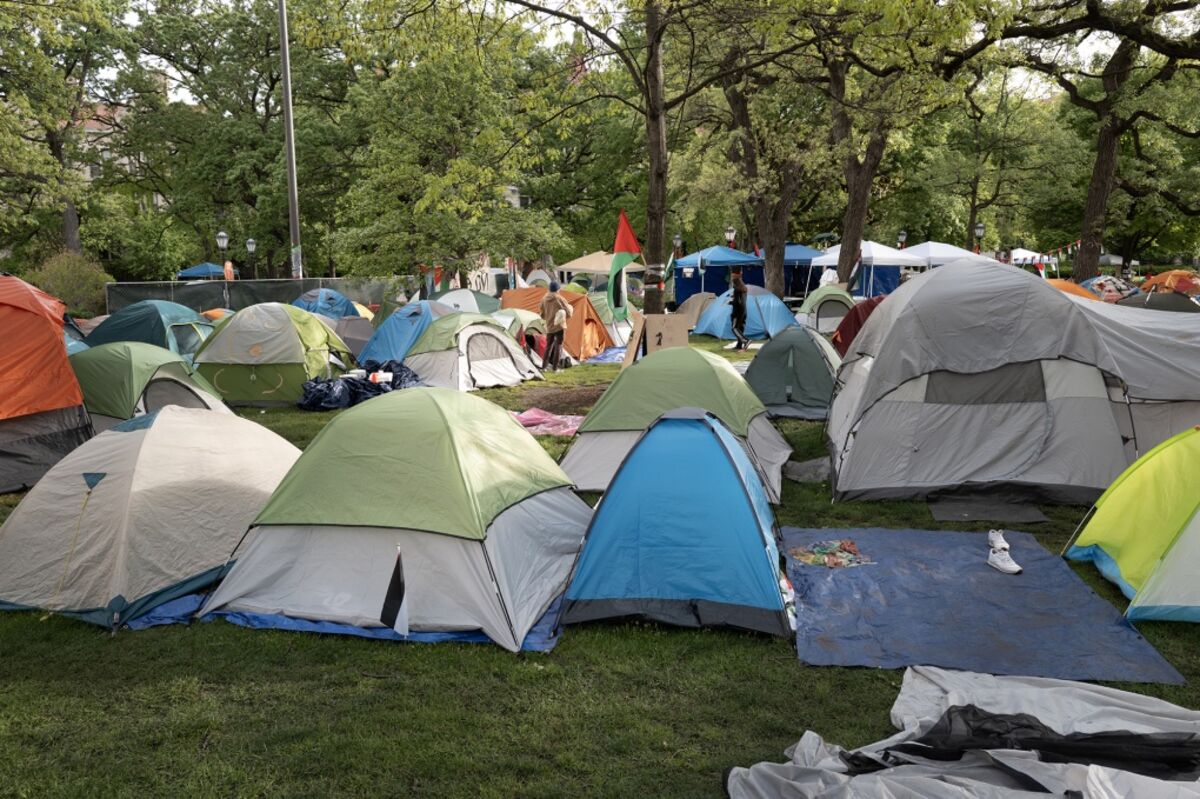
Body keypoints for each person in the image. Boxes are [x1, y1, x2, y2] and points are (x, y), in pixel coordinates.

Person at [540, 281, 572, 371]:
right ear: (558, 289)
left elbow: (542, 315)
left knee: (548, 347)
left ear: (549, 289)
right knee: (558, 346)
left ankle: (544, 367)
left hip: (549, 326)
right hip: (559, 326)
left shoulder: (544, 299)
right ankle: (555, 368)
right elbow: (568, 312)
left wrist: (549, 317)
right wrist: (564, 316)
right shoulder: (559, 298)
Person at [730, 268, 749, 350]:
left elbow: (737, 302)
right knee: (740, 327)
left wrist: (731, 302)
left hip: (737, 311)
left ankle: (746, 340)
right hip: (744, 311)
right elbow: (741, 300)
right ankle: (739, 345)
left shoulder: (736, 289)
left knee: (734, 328)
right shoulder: (743, 288)